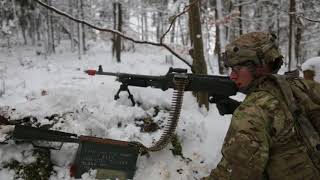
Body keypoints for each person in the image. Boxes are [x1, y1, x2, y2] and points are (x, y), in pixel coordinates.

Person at [202, 32, 320, 180]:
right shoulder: (301, 85)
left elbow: (233, 174)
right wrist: (237, 107)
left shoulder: (253, 111)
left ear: (259, 67)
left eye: (237, 69)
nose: (232, 76)